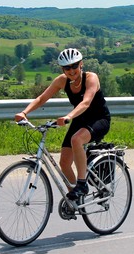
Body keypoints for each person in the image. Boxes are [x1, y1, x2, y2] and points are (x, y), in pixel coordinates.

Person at [15, 48, 111, 201]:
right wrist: (24, 113)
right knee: (64, 163)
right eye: (67, 67)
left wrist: (68, 116)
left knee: (76, 139)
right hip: (80, 120)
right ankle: (75, 197)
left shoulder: (91, 78)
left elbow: (86, 102)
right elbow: (41, 98)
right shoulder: (62, 80)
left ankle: (82, 184)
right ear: (62, 69)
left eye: (74, 66)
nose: (71, 70)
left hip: (99, 119)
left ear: (81, 64)